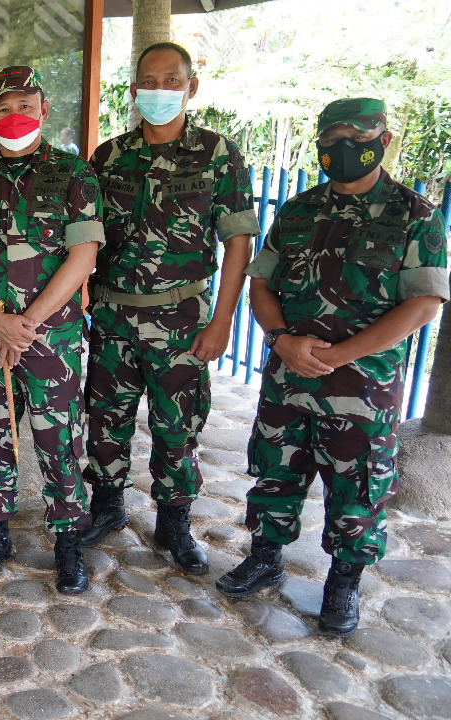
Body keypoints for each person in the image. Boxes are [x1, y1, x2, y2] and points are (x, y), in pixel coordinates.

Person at [216, 98, 448, 636]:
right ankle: (265, 557)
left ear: (383, 140)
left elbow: (423, 305)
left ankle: (344, 581)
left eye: (357, 138)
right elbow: (261, 284)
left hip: (363, 387)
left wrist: (338, 356)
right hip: (289, 375)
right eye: (331, 140)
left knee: (358, 487)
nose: (343, 149)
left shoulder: (414, 215)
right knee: (275, 470)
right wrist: (280, 340)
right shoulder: (298, 211)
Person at [81, 42, 258, 575]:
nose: (159, 90)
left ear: (191, 86)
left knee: (177, 425)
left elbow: (239, 243)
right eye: (149, 82)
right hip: (113, 316)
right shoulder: (108, 157)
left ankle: (174, 520)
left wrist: (222, 321)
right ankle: (107, 505)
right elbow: (84, 237)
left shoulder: (218, 154)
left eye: (171, 80)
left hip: (182, 318)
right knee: (105, 419)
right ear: (134, 89)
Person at [0, 66, 103, 592]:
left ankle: (68, 543)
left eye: (25, 106)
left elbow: (82, 257)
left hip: (52, 340)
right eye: (4, 108)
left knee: (60, 439)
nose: (15, 116)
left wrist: (25, 326)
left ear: (44, 110)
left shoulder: (75, 175)